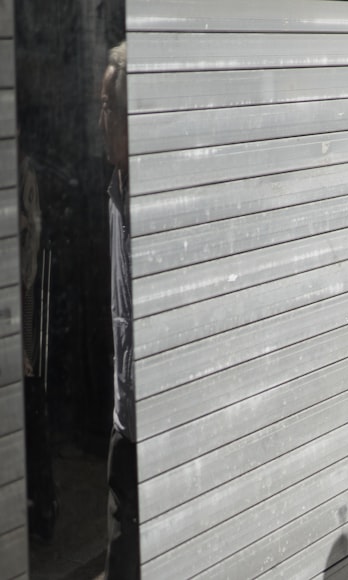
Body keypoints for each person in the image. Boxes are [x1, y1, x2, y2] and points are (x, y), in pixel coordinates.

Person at [101, 42, 139, 577]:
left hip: (158, 423)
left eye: (107, 105)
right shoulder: (113, 189)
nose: (99, 118)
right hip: (123, 414)